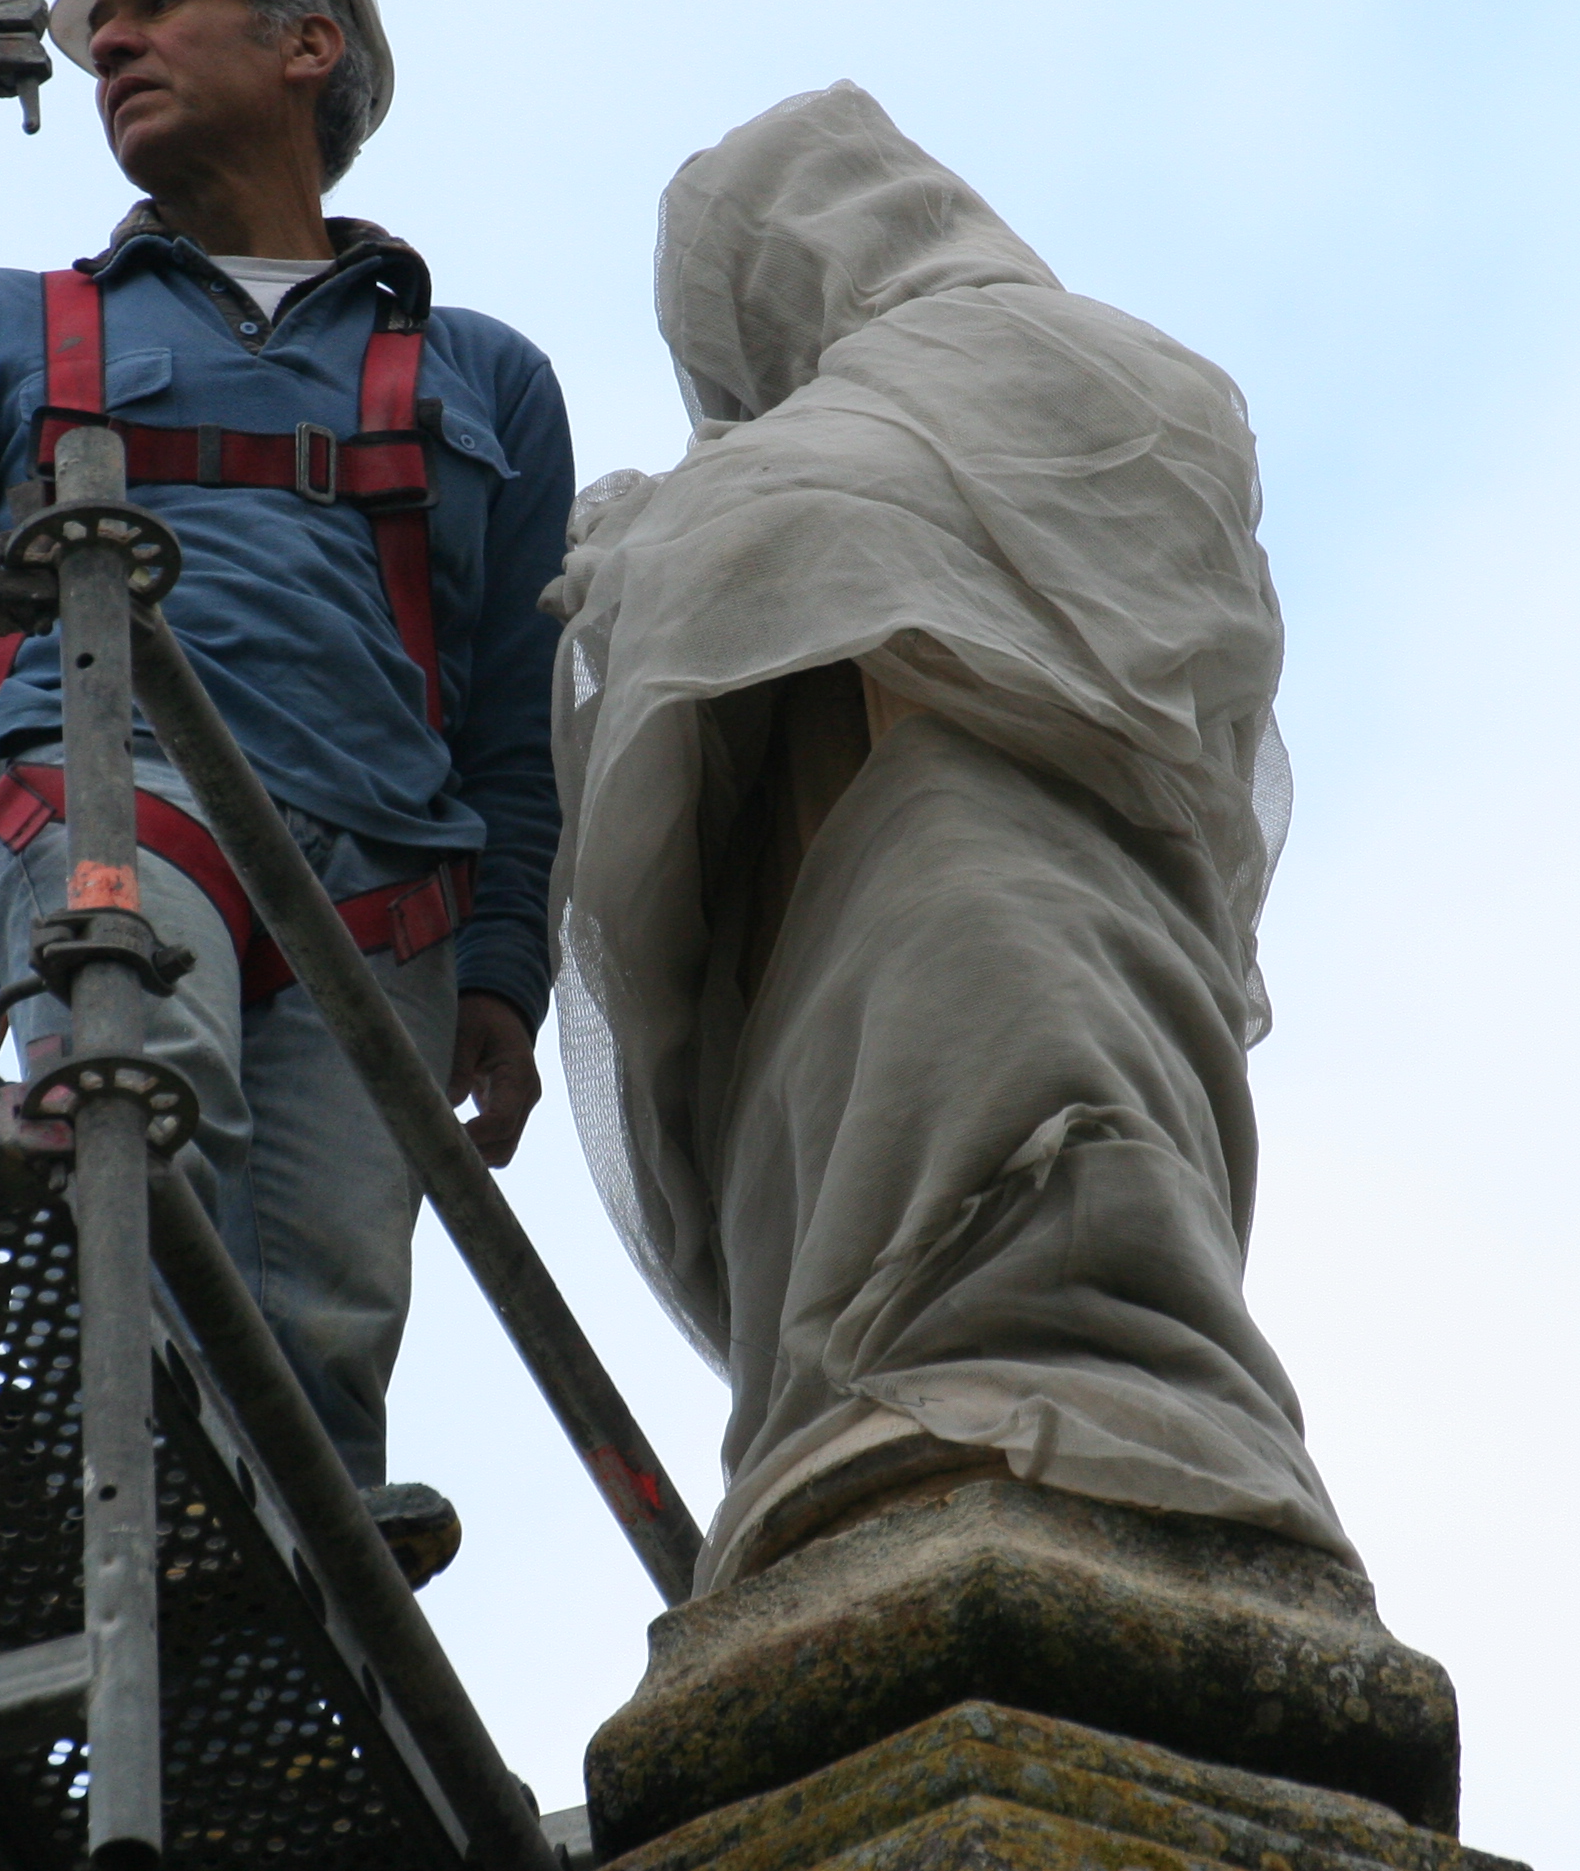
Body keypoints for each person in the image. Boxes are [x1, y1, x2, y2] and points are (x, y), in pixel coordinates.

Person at [0, 0, 574, 1579]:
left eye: (161, 5)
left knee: (336, 1285)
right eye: (104, 25)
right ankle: (137, 1498)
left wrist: (501, 967)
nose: (109, 42)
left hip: (384, 887)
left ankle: (296, 1586)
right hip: (120, 788)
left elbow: (512, 724)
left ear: (305, 45)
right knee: (146, 1104)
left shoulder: (483, 376)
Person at [546, 83, 1355, 1593]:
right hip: (1077, 904)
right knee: (1049, 1130)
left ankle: (961, 1411)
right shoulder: (1156, 374)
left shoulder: (939, 386)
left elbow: (790, 544)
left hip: (947, 862)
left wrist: (628, 555)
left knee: (964, 1131)